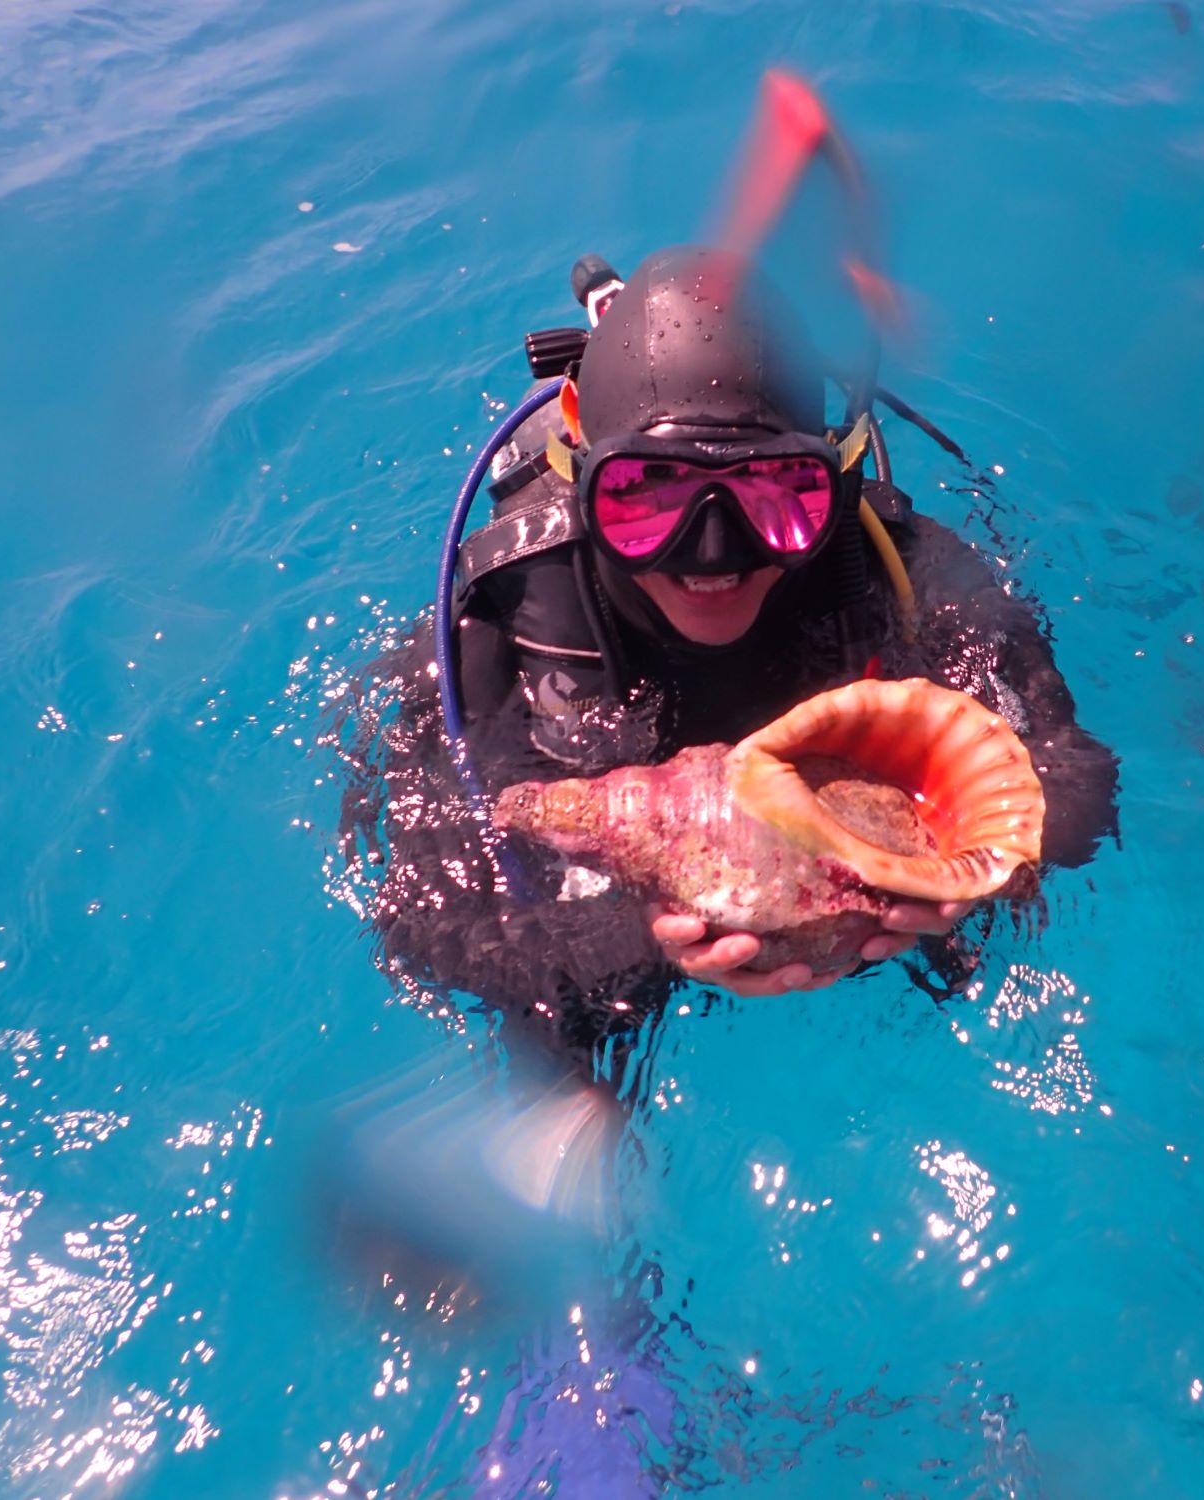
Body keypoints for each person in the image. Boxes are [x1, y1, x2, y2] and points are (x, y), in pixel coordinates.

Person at [330, 244, 1118, 1070]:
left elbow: (1073, 778)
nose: (712, 553)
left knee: (977, 955)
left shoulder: (901, 572)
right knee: (569, 1045)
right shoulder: (499, 616)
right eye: (647, 496)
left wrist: (955, 876)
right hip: (644, 893)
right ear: (580, 465)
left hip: (848, 862)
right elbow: (428, 926)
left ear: (832, 475)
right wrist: (642, 935)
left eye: (775, 493)